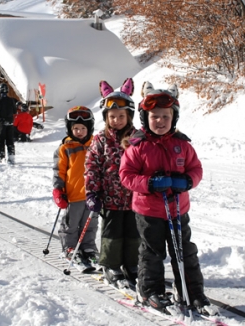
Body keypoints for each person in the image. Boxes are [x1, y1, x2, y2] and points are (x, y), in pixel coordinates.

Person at [119, 81, 215, 316]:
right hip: (149, 211)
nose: (160, 121)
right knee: (152, 252)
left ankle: (191, 292)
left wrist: (188, 181)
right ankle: (150, 291)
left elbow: (196, 168)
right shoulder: (137, 146)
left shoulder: (181, 145)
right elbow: (126, 176)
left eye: (165, 117)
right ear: (145, 118)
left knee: (185, 251)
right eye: (155, 117)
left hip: (177, 209)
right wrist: (150, 183)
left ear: (174, 118)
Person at [84, 78, 140, 287]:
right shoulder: (100, 140)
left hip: (134, 198)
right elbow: (92, 167)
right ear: (106, 118)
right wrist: (92, 192)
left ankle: (132, 264)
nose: (116, 120)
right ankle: (111, 265)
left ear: (129, 116)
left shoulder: (137, 138)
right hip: (109, 198)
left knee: (133, 233)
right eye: (112, 117)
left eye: (121, 116)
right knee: (112, 233)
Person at [52, 106, 99, 264]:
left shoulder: (96, 145)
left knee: (90, 223)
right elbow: (59, 171)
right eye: (76, 128)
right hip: (73, 195)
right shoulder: (65, 148)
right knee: (71, 224)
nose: (79, 131)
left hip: (93, 195)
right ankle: (70, 247)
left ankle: (88, 247)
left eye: (83, 128)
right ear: (69, 128)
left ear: (89, 128)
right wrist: (58, 190)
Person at [0, 83, 17, 163]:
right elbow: (14, 111)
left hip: (2, 122)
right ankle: (11, 156)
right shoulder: (11, 100)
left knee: (1, 139)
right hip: (10, 122)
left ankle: (1, 156)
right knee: (10, 139)